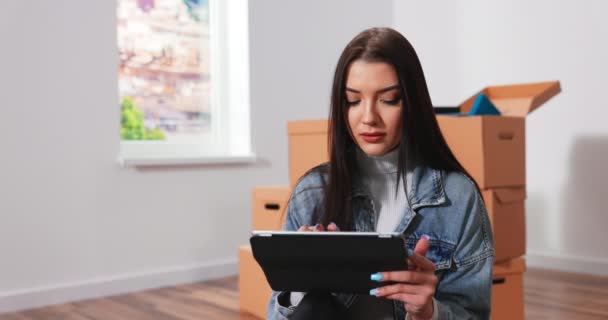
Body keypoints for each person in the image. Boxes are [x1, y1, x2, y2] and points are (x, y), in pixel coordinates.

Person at [266, 27, 494, 320]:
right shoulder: (312, 194)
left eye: (388, 99)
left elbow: (473, 314)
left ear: (412, 103)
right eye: (353, 100)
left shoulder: (458, 198)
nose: (369, 117)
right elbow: (278, 314)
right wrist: (299, 286)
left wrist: (429, 312)